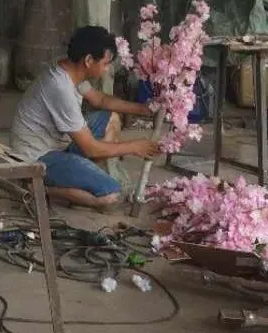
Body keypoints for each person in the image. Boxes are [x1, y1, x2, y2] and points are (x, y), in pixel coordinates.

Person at [10, 26, 159, 209]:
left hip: (59, 143)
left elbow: (100, 100)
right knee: (111, 196)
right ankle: (37, 188)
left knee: (111, 117)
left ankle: (87, 172)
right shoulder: (60, 87)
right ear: (88, 60)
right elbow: (90, 149)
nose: (107, 69)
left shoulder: (69, 67)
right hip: (37, 156)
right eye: (105, 63)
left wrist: (145, 109)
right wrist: (135, 147)